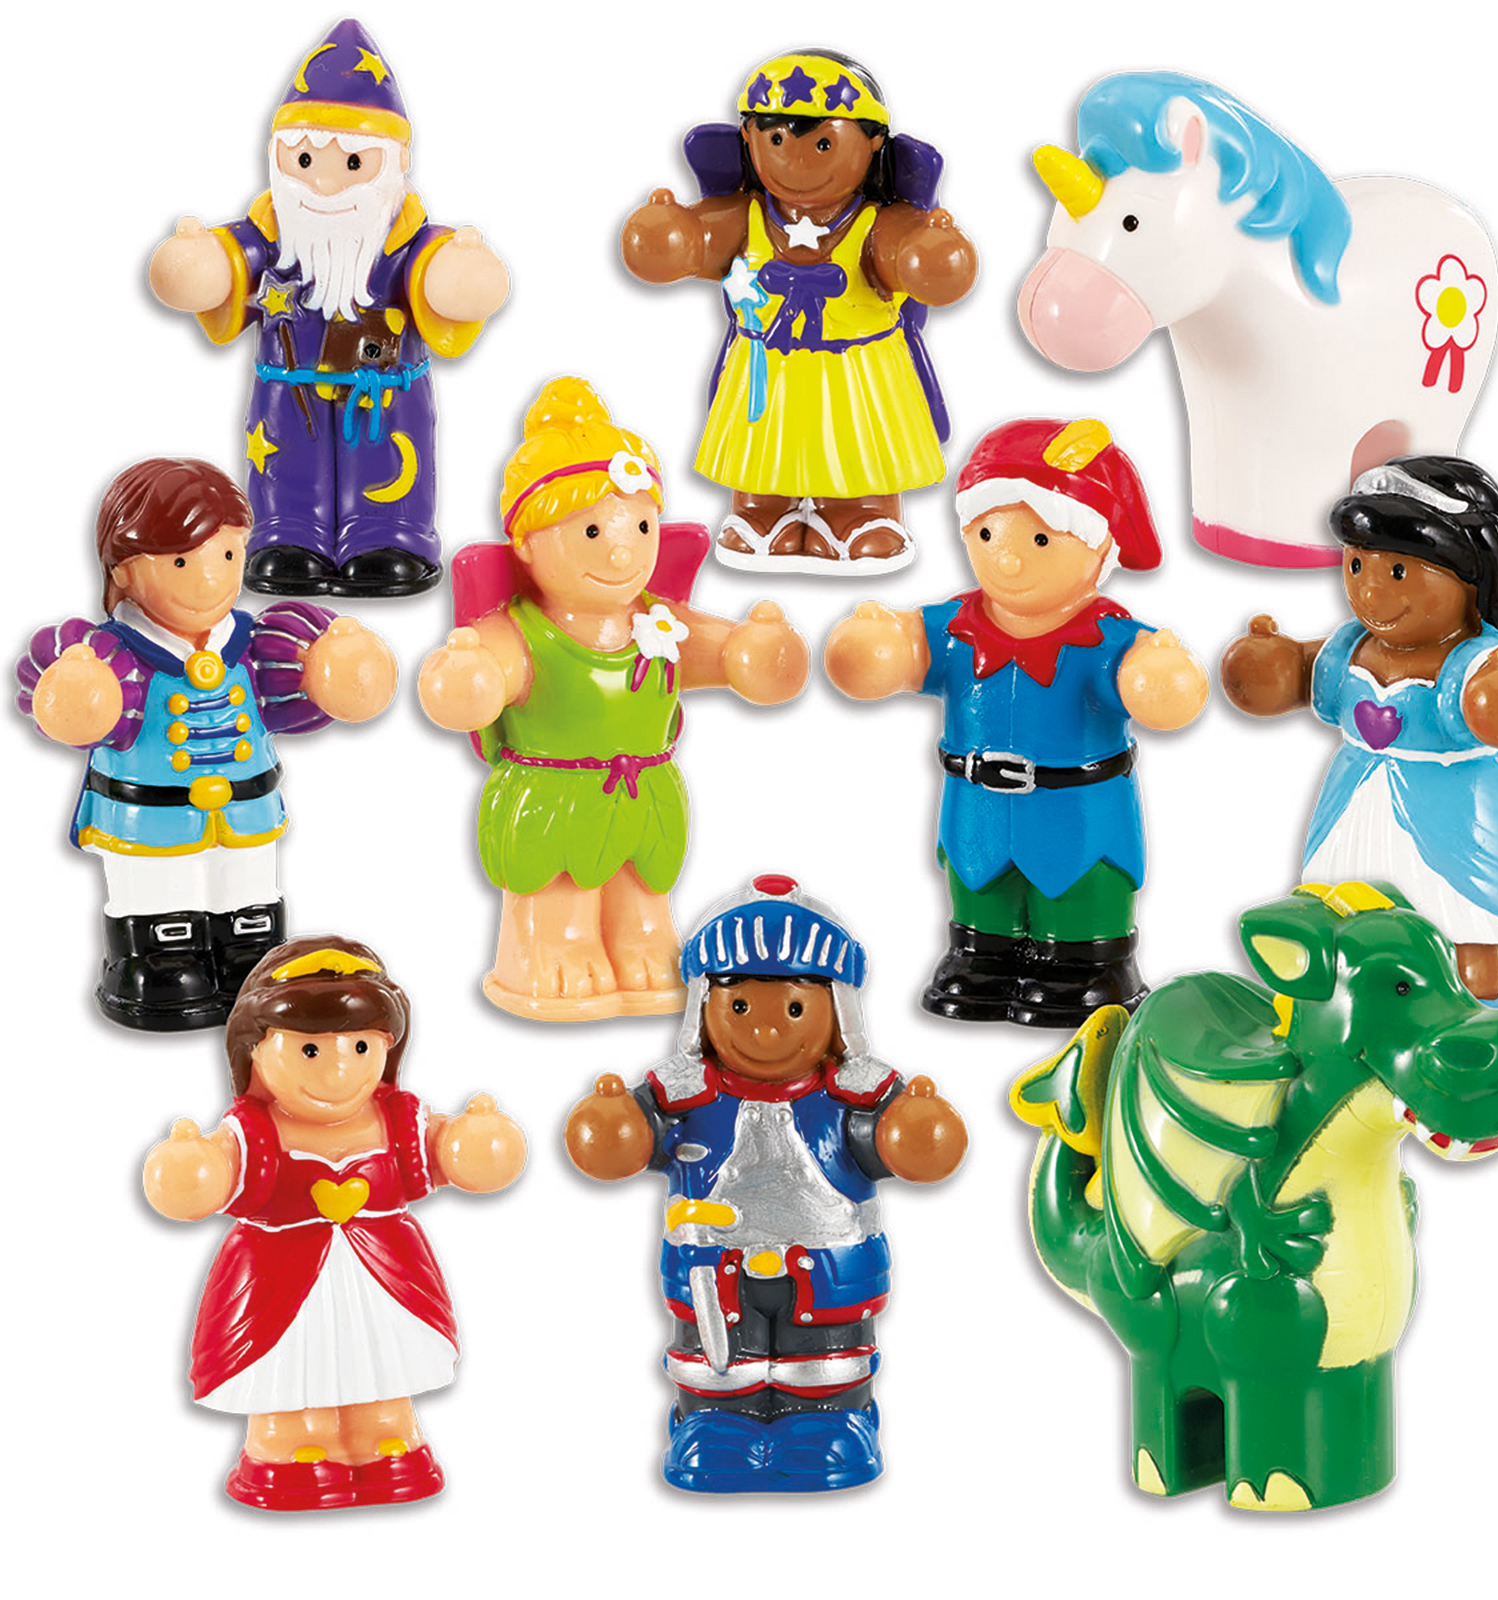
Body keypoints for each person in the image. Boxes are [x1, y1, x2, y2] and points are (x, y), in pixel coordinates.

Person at [418, 378, 808, 1020]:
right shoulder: (522, 631)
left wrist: (753, 650)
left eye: (641, 525)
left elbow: (728, 656)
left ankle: (641, 941)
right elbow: (478, 681)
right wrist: (468, 676)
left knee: (643, 889)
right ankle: (550, 946)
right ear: (526, 544)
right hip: (553, 794)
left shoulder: (659, 622)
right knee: (558, 887)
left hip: (644, 792)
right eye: (594, 530)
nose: (623, 548)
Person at [565, 875, 966, 1492]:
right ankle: (716, 1423)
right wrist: (615, 1124)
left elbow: (906, 1146)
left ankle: (830, 1421)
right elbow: (627, 1141)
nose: (767, 1030)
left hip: (826, 1267)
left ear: (835, 1010)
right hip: (712, 1269)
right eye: (742, 1008)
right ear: (706, 1006)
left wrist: (914, 1131)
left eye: (795, 1009)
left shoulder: (852, 1097)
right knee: (717, 1358)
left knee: (825, 1357)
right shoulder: (683, 1095)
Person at [826, 417, 1207, 1027]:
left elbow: (1155, 688)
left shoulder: (1103, 640)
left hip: (1076, 815)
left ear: (1098, 548)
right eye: (987, 532)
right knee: (979, 886)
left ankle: (1086, 966)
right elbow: (896, 654)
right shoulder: (954, 630)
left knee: (1080, 888)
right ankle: (982, 958)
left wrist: (1157, 674)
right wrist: (879, 643)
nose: (1006, 555)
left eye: (1040, 540)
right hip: (976, 811)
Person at [143, 936, 525, 1511]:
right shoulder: (255, 1132)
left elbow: (452, 1154)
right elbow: (211, 1176)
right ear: (256, 1051)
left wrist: (476, 1141)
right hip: (280, 1274)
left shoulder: (396, 1120)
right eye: (310, 1051)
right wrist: (189, 1165)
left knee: (380, 1357)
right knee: (291, 1360)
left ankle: (384, 1432)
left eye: (361, 1046)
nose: (339, 1070)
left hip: (383, 1269)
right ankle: (289, 1442)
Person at [16, 457, 395, 1029]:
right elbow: (68, 703)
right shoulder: (112, 654)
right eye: (180, 562)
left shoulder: (251, 642)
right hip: (152, 814)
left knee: (247, 886)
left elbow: (297, 684)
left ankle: (246, 949)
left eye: (227, 556)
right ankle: (156, 958)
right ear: (123, 571)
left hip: (245, 806)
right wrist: (76, 691)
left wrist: (335, 668)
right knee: (158, 890)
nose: (211, 579)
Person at [147, 18, 510, 596]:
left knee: (391, 461)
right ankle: (288, 531)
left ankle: (389, 532)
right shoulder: (271, 235)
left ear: (396, 163)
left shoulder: (406, 240)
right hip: (287, 393)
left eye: (353, 164)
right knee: (284, 457)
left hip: (384, 395)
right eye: (305, 162)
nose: (324, 185)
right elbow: (216, 269)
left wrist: (463, 273)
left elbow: (447, 278)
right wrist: (196, 262)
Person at [1221, 456, 1498, 1003]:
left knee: (1465, 926)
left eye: (1398, 572)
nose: (1370, 592)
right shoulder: (1353, 647)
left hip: (1456, 816)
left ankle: (1483, 1012)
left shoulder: (1477, 657)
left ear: (1472, 579)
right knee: (1347, 914)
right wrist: (1271, 664)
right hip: (1361, 804)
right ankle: (1349, 1011)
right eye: (1358, 566)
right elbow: (1300, 675)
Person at [621, 48, 977, 572]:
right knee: (762, 444)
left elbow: (911, 257)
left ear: (872, 143)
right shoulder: (746, 216)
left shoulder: (876, 224)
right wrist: (668, 233)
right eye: (777, 141)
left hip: (857, 369)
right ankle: (761, 510)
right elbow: (693, 243)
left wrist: (931, 253)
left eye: (823, 144)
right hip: (766, 366)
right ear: (750, 138)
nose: (796, 162)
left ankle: (861, 511)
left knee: (857, 443)